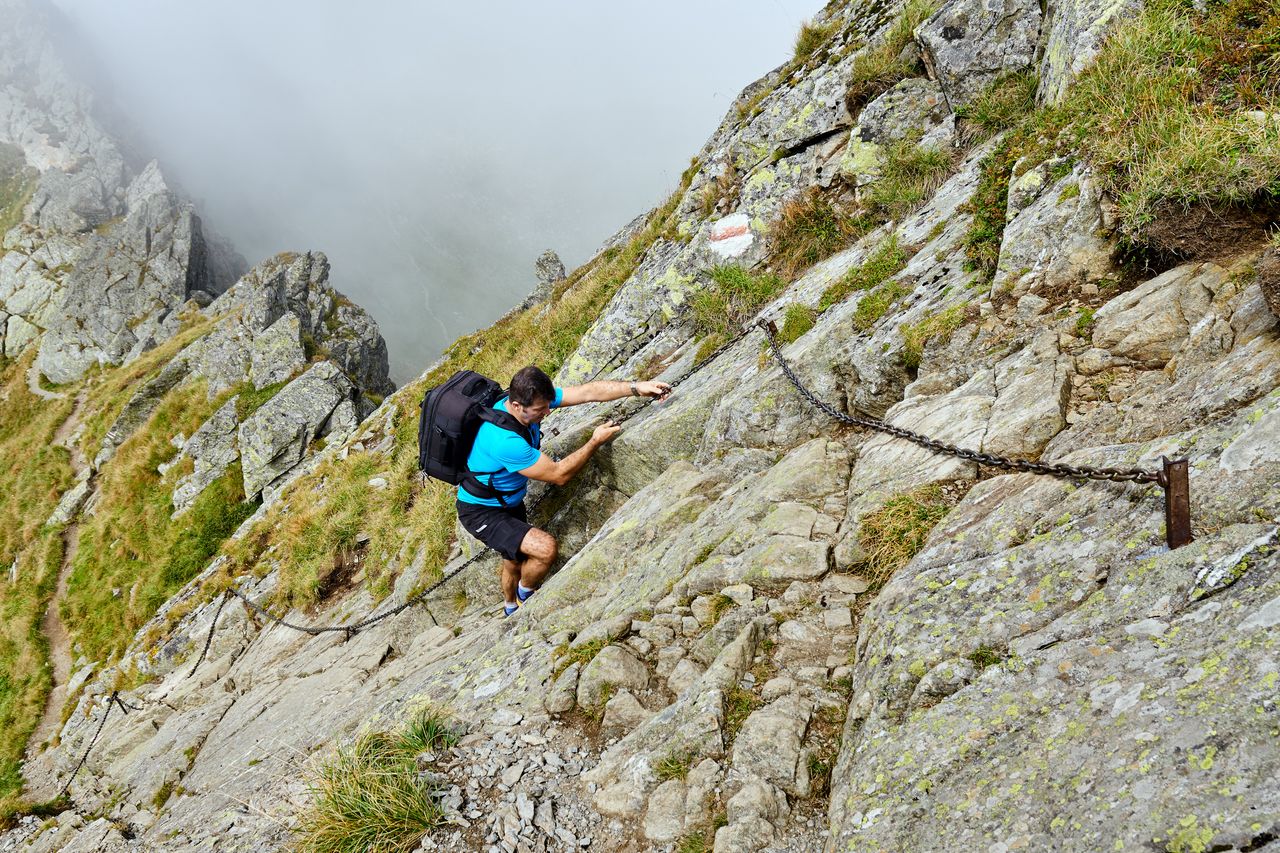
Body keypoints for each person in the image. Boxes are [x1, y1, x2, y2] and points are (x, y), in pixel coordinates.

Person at [456, 365, 672, 616]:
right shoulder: (504, 441)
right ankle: (524, 597)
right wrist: (595, 441)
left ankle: (509, 605)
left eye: (548, 405)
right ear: (516, 406)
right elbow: (559, 475)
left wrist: (637, 388)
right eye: (540, 410)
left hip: (508, 501)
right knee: (545, 550)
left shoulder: (526, 403)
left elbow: (587, 392)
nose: (548, 412)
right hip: (482, 511)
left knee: (513, 559)